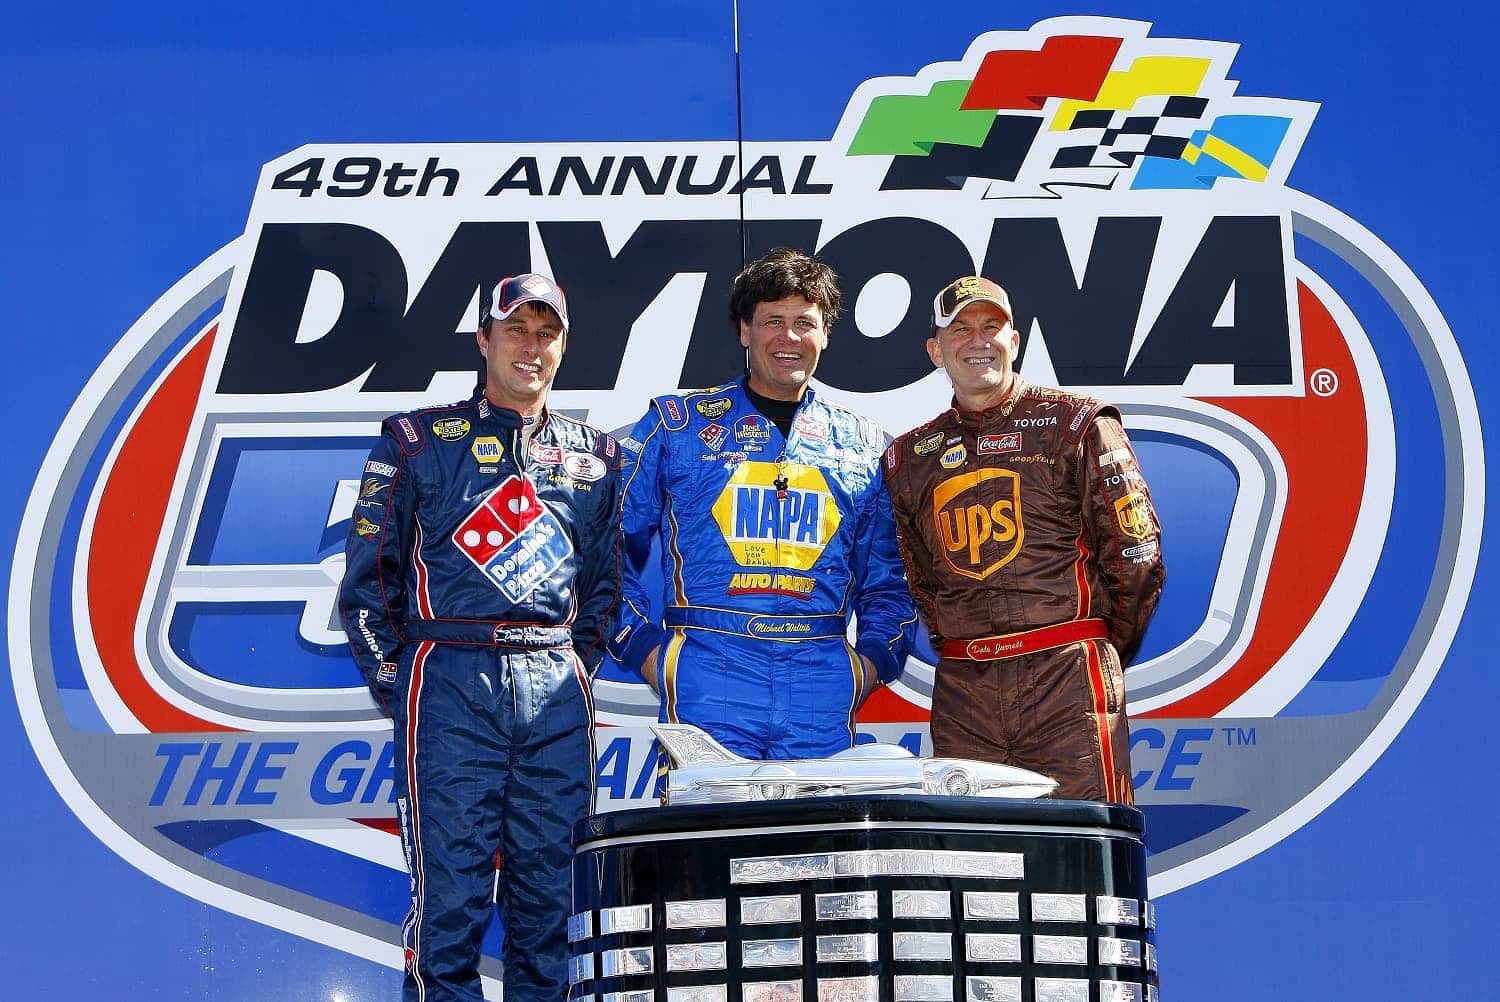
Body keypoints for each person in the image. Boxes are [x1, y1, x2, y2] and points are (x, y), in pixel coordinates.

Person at [339, 272, 620, 1001]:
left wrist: (568, 667)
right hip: (450, 682)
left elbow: (603, 591)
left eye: (546, 332)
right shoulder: (417, 440)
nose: (532, 347)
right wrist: (406, 685)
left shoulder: (597, 458)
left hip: (556, 692)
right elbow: (370, 581)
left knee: (551, 909)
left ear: (563, 345)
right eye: (516, 330)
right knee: (451, 907)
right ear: (483, 340)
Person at [610, 248, 917, 760]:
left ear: (825, 334)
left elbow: (891, 579)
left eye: (805, 323)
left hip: (821, 677)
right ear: (744, 330)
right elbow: (606, 545)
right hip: (709, 672)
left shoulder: (861, 442)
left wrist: (870, 664)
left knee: (815, 840)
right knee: (706, 839)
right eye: (773, 320)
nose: (789, 338)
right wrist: (644, 651)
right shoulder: (678, 425)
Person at [883, 276, 1165, 803]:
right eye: (960, 329)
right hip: (966, 688)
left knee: (1084, 849)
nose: (978, 341)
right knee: (973, 860)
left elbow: (1137, 556)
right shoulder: (910, 457)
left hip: (1068, 678)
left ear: (1015, 341)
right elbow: (922, 581)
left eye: (993, 327)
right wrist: (969, 651)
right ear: (934, 350)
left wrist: (1092, 646)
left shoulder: (1078, 423)